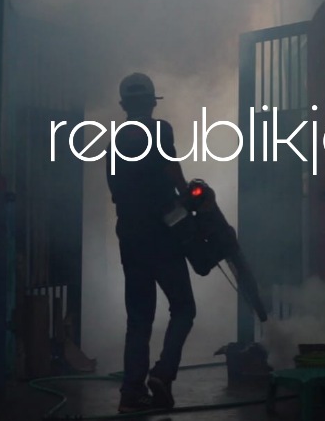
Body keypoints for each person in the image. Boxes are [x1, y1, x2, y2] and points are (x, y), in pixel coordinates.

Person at [106, 72, 195, 413]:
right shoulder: (161, 131)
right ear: (152, 103)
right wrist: (187, 196)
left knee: (139, 319)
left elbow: (116, 191)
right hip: (163, 236)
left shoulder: (115, 142)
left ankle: (131, 393)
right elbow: (172, 169)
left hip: (130, 238)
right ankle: (163, 373)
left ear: (124, 106)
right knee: (184, 308)